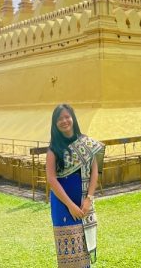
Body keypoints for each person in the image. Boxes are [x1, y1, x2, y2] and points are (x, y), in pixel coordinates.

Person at [46, 104, 105, 267]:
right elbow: (51, 179)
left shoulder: (86, 143)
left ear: (73, 118)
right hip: (63, 204)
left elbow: (95, 171)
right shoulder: (54, 149)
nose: (64, 121)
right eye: (60, 119)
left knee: (83, 250)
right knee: (69, 255)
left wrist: (89, 199)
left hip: (83, 203)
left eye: (67, 117)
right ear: (55, 124)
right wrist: (70, 205)